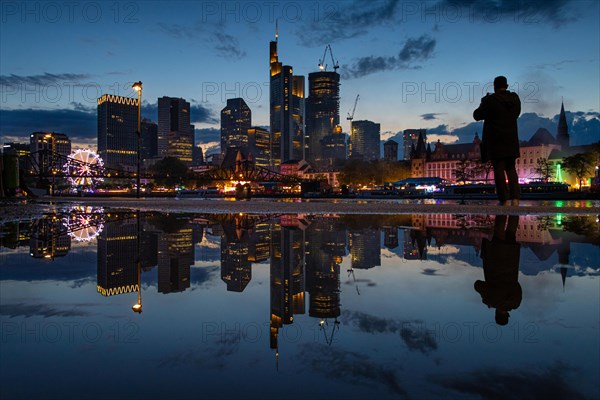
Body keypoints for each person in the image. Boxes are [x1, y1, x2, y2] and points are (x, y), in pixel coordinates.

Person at [474, 76, 521, 206]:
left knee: (499, 169)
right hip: (511, 140)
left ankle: (503, 199)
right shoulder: (515, 98)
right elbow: (517, 114)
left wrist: (483, 103)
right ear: (506, 86)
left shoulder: (490, 100)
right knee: (511, 169)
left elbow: (477, 115)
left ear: (494, 87)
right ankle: (515, 199)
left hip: (495, 141)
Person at [474, 215, 521, 325]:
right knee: (499, 232)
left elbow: (518, 286)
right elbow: (477, 285)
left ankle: (514, 208)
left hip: (511, 260)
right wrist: (485, 299)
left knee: (511, 232)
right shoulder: (492, 300)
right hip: (496, 259)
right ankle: (503, 208)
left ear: (507, 315)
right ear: (496, 314)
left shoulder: (516, 303)